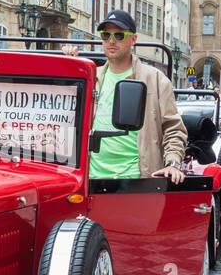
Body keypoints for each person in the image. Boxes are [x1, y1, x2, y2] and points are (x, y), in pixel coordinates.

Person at [72, 10, 186, 183]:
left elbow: (174, 128)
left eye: (119, 35)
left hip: (137, 180)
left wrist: (172, 163)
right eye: (106, 35)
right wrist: (69, 65)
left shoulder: (155, 79)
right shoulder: (91, 77)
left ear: (133, 39)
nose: (111, 40)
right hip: (91, 179)